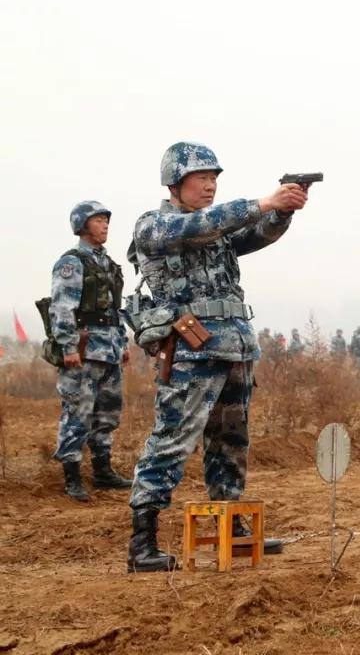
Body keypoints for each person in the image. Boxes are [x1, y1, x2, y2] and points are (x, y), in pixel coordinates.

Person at [125, 141, 308, 572]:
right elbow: (208, 225)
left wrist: (283, 210)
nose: (210, 186)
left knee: (230, 443)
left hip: (234, 348)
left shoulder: (217, 226)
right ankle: (142, 542)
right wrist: (265, 200)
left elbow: (257, 234)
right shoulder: (155, 225)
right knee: (172, 440)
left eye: (214, 179)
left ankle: (233, 527)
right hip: (191, 353)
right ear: (175, 182)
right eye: (201, 178)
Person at [49, 200, 132, 501]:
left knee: (107, 413)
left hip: (108, 348)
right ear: (83, 226)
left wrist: (121, 343)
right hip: (83, 349)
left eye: (106, 220)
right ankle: (72, 477)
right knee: (77, 413)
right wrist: (69, 345)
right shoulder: (72, 263)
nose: (105, 225)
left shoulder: (107, 264)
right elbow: (61, 306)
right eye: (98, 220)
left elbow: (114, 309)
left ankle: (103, 472)